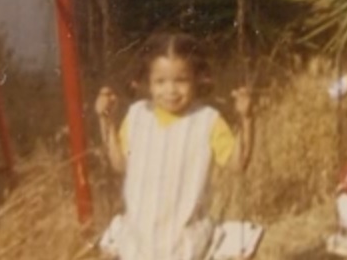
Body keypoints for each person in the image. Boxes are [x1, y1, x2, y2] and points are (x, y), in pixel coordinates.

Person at [95, 32, 254, 260]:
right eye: (160, 82)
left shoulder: (207, 120)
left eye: (181, 80)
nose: (171, 90)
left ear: (197, 79)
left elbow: (237, 164)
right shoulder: (137, 115)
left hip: (184, 238)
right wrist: (106, 121)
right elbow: (119, 164)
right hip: (139, 236)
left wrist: (246, 119)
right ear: (147, 82)